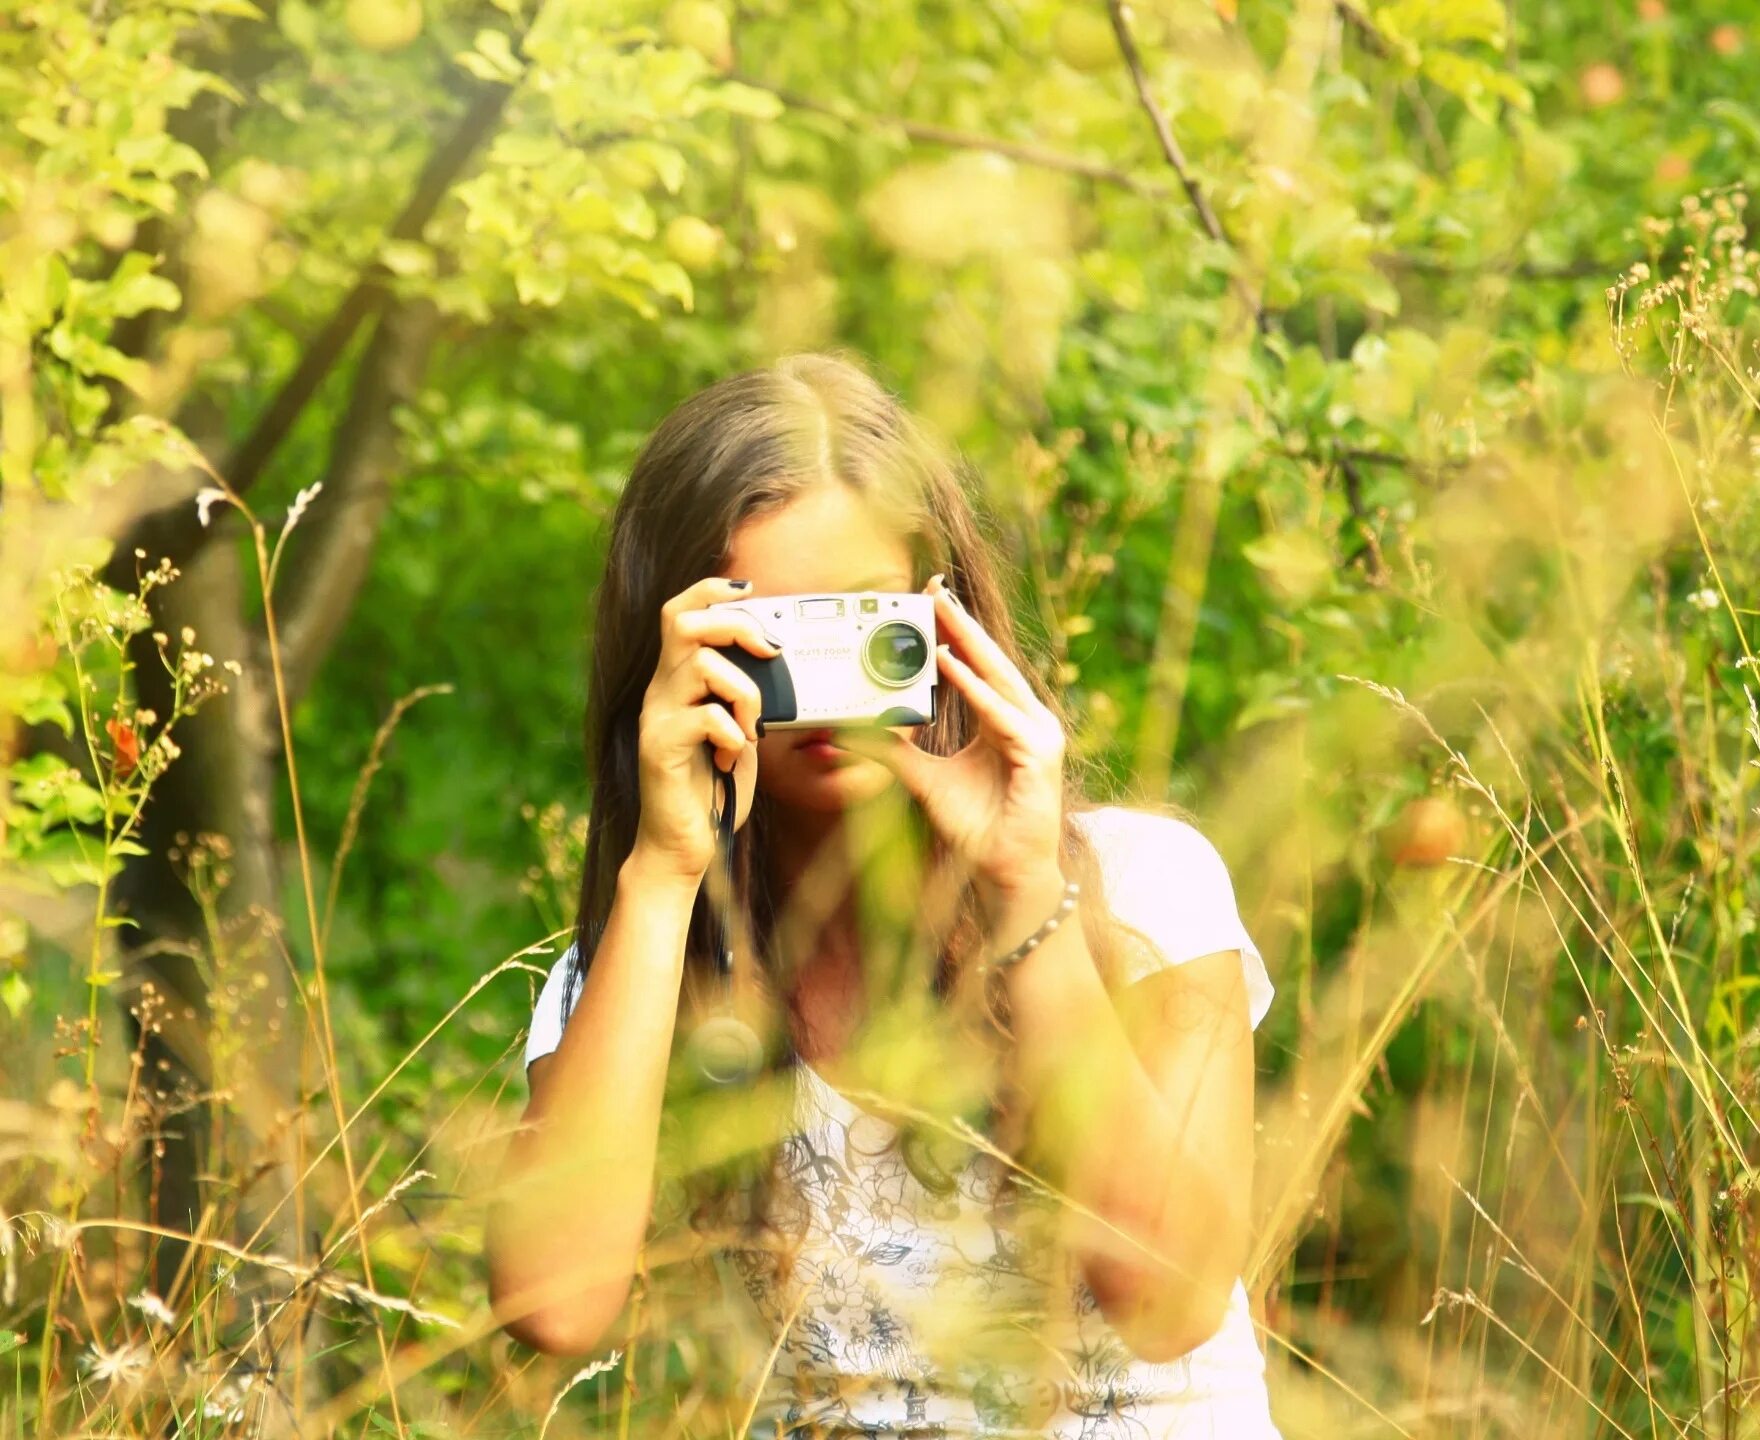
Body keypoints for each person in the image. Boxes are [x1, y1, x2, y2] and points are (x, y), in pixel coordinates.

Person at [485, 352, 1281, 1439]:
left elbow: (1171, 1302)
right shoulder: (645, 955)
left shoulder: (1143, 889)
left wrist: (1023, 890)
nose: (825, 688)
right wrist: (667, 872)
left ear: (945, 619)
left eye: (864, 627)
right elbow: (552, 1308)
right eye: (768, 636)